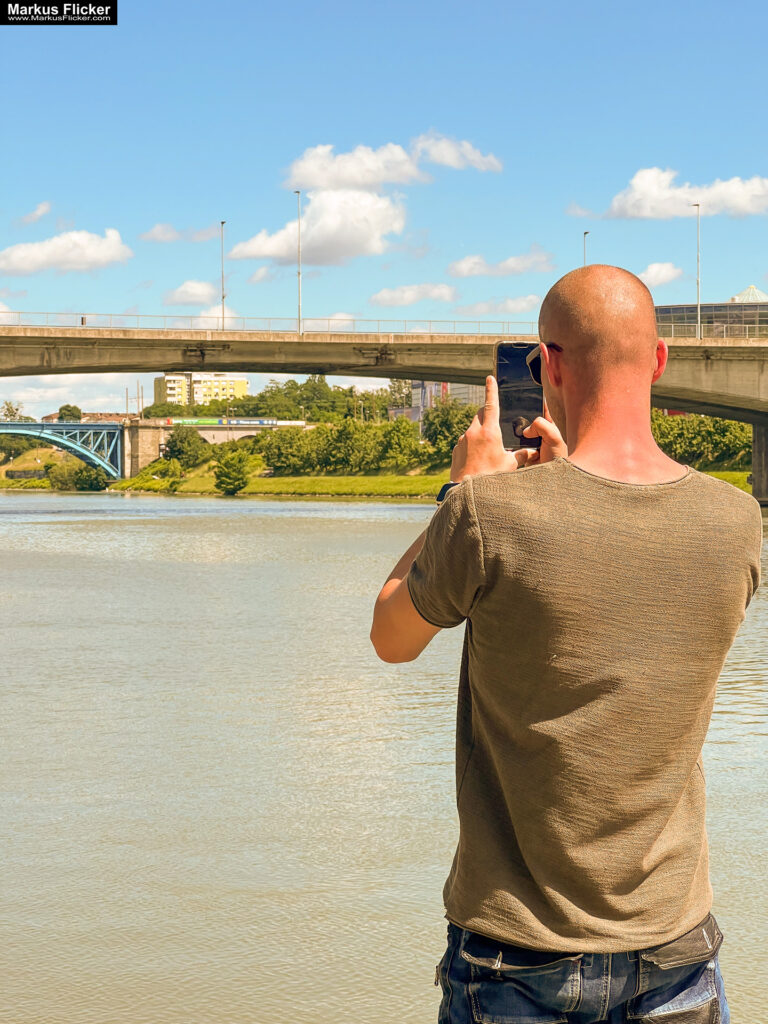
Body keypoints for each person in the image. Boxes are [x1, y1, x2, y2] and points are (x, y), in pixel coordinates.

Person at [369, 265, 763, 1023]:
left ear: (546, 364)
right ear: (659, 361)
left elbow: (391, 635)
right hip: (674, 946)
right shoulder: (737, 521)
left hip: (517, 953)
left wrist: (462, 493)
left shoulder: (488, 515)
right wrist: (554, 485)